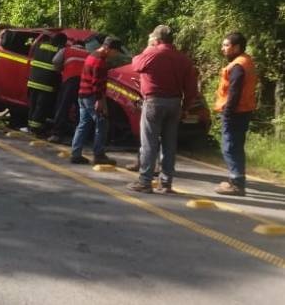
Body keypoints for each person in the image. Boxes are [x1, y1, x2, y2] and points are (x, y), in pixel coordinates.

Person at [126, 25, 197, 194]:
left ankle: (145, 181)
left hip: (154, 102)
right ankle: (166, 183)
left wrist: (149, 47)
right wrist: (185, 108)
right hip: (174, 103)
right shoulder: (184, 59)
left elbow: (135, 64)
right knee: (169, 144)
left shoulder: (152, 53)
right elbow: (192, 88)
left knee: (149, 143)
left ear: (156, 40)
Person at [213, 32, 257, 196]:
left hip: (235, 112)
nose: (223, 48)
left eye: (226, 45)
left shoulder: (238, 66)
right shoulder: (247, 61)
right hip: (244, 110)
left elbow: (234, 92)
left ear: (236, 47)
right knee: (236, 146)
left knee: (229, 147)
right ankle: (236, 180)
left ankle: (237, 184)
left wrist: (228, 112)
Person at [70, 36, 122, 166]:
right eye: (116, 52)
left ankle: (75, 153)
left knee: (83, 123)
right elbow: (97, 84)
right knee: (102, 123)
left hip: (82, 94)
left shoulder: (91, 56)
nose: (116, 55)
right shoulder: (100, 62)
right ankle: (99, 154)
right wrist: (100, 101)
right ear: (108, 48)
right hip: (92, 96)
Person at [27, 32, 67, 136]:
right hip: (46, 84)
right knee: (41, 107)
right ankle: (36, 129)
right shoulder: (59, 50)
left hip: (33, 81)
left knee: (33, 105)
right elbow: (58, 65)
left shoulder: (39, 45)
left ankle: (30, 127)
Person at [49, 40, 88, 143]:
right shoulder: (88, 53)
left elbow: (55, 61)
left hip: (69, 80)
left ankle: (57, 134)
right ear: (83, 46)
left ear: (74, 44)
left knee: (63, 107)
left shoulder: (66, 50)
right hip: (84, 82)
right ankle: (79, 137)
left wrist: (60, 70)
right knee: (80, 109)